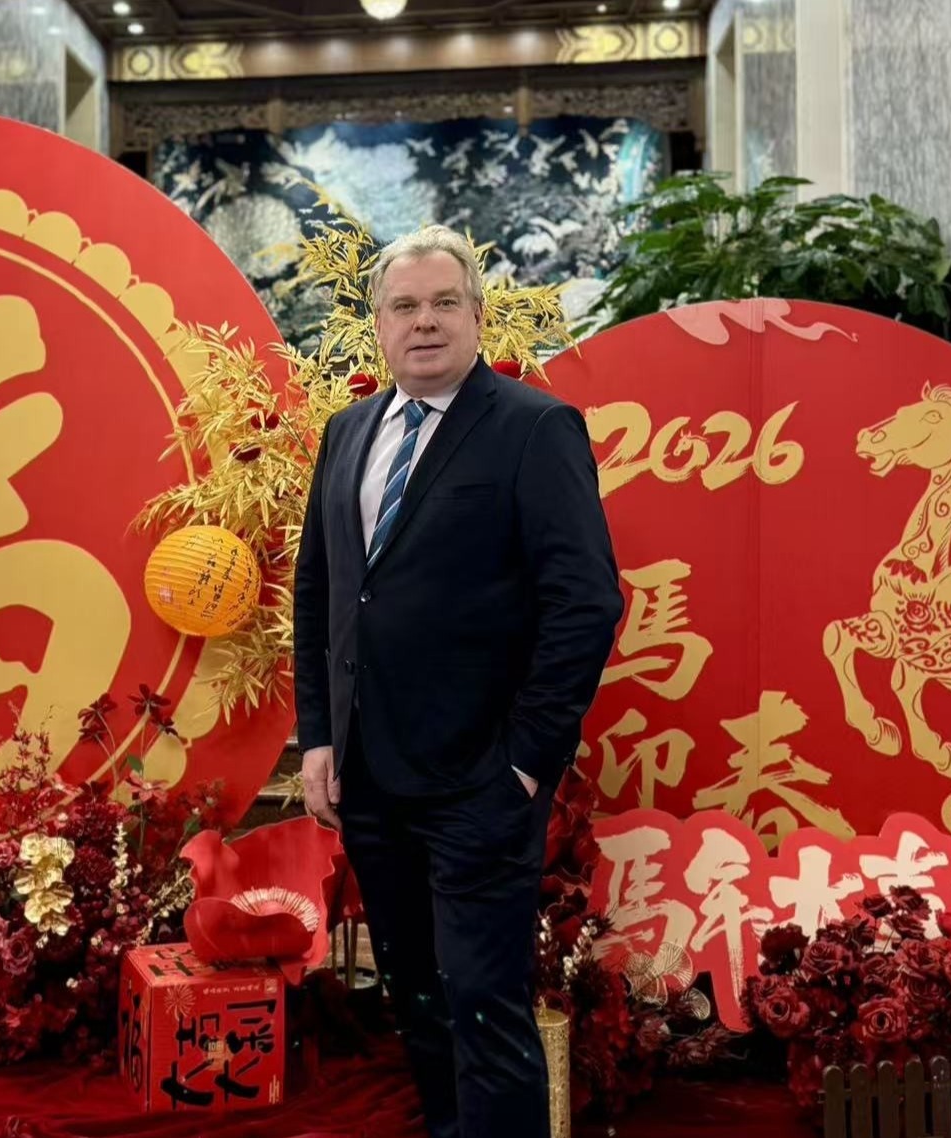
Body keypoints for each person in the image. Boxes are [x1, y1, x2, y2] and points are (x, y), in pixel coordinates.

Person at [292, 224, 624, 1138]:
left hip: (481, 781)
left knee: (484, 1007)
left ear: (477, 316)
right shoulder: (347, 433)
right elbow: (321, 593)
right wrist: (318, 736)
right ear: (378, 324)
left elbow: (586, 602)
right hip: (369, 778)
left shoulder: (533, 428)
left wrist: (524, 761)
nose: (424, 321)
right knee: (416, 999)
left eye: (444, 303)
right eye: (404, 306)